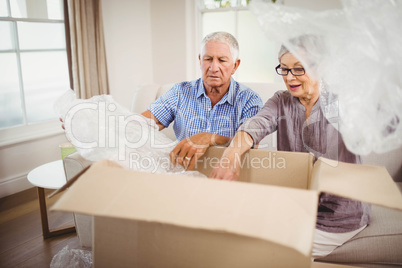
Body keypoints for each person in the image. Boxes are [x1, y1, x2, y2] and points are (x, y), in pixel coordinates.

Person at [209, 35, 371, 258]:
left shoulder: (343, 102)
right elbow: (256, 124)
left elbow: (374, 126)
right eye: (284, 69)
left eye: (298, 69)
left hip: (338, 216)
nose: (289, 77)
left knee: (264, 252)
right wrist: (231, 155)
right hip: (298, 206)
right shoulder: (281, 100)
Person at [142, 32, 263, 171]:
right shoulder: (180, 92)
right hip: (183, 174)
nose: (213, 68)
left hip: (228, 176)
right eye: (208, 59)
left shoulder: (250, 100)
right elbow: (143, 124)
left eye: (222, 60)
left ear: (235, 65)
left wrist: (209, 138)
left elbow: (250, 143)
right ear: (200, 60)